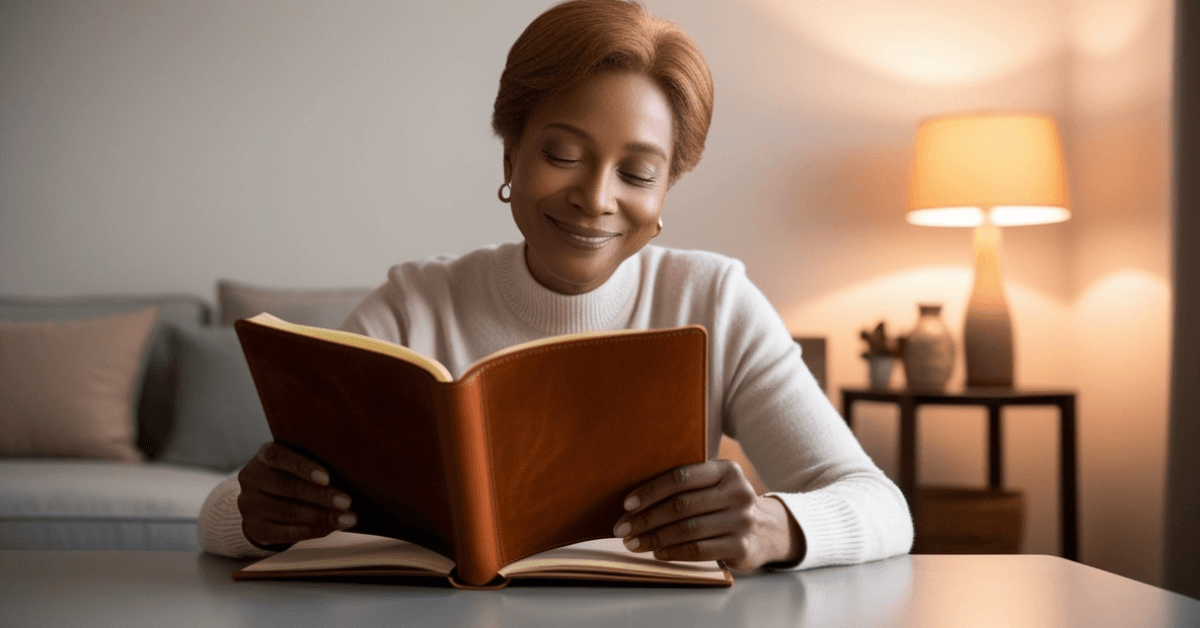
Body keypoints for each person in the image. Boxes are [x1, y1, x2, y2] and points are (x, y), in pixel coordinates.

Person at [198, 0, 912, 572]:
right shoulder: (417, 304)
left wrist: (772, 525)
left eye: (637, 173)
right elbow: (219, 512)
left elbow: (883, 507)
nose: (596, 198)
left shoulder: (713, 299)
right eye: (563, 154)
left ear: (667, 190)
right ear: (512, 150)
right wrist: (256, 515)